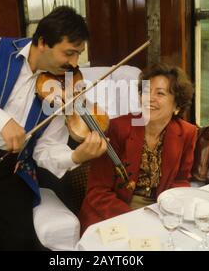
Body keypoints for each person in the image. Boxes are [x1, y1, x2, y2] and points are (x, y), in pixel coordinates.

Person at [0, 6, 107, 250]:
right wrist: (0, 119)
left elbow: (45, 148)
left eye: (78, 54)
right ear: (43, 42)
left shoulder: (62, 87)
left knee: (18, 243)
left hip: (11, 171)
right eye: (69, 53)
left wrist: (75, 156)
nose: (74, 63)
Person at [79, 63, 197, 233]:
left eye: (160, 93)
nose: (150, 98)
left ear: (177, 106)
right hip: (112, 212)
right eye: (147, 91)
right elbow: (97, 192)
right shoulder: (117, 128)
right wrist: (135, 220)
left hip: (159, 211)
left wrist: (171, 212)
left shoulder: (187, 132)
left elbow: (180, 180)